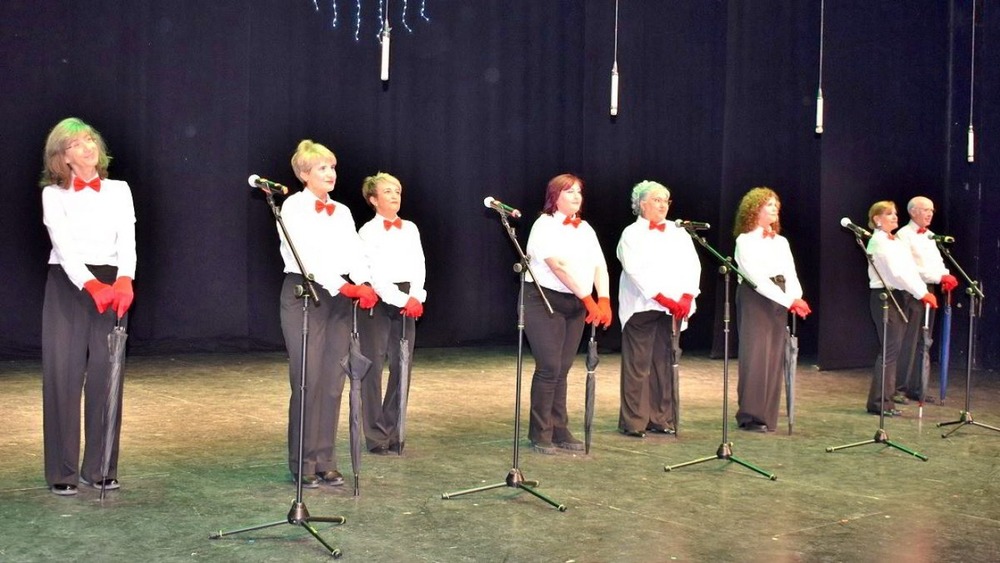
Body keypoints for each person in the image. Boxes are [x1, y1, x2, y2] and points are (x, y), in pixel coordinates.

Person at [40, 117, 136, 495]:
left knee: (106, 375)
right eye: (77, 144)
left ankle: (100, 467)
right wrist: (90, 283)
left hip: (113, 282)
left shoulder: (119, 189)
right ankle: (62, 471)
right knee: (64, 375)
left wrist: (125, 278)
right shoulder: (54, 194)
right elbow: (62, 245)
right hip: (69, 283)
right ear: (63, 157)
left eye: (90, 141)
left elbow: (127, 236)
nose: (88, 148)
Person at [278, 140, 377, 488]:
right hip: (306, 293)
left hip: (337, 298)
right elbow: (307, 256)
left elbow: (355, 250)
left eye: (332, 167)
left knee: (334, 382)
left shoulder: (344, 211)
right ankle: (302, 463)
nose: (330, 173)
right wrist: (345, 286)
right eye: (322, 168)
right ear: (305, 174)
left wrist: (364, 281)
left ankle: (325, 459)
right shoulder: (293, 207)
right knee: (308, 379)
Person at [523, 173, 613, 454]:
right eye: (569, 191)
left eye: (579, 192)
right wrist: (589, 300)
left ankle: (559, 428)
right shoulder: (543, 226)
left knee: (562, 367)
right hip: (543, 299)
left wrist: (605, 299)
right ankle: (540, 432)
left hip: (576, 302)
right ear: (554, 197)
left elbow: (600, 266)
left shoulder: (585, 228)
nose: (576, 196)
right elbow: (557, 267)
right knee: (549, 366)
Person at [616, 181, 701, 437]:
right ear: (642, 204)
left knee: (664, 363)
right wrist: (663, 299)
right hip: (642, 306)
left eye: (666, 200)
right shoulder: (631, 234)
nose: (663, 205)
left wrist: (686, 296)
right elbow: (635, 271)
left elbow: (693, 265)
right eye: (656, 200)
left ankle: (660, 417)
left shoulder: (679, 232)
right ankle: (634, 421)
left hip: (674, 309)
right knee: (638, 365)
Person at [357, 172, 426, 455]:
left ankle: (393, 429)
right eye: (387, 191)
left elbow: (420, 263)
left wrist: (417, 296)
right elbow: (376, 273)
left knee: (402, 366)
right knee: (372, 367)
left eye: (397, 190)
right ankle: (375, 435)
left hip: (407, 296)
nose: (395, 195)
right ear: (373, 199)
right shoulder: (367, 232)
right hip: (380, 298)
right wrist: (400, 298)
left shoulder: (410, 228)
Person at [732, 187, 811, 433]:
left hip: (780, 296)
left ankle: (767, 414)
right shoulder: (744, 241)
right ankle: (750, 415)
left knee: (774, 356)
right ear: (754, 209)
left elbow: (790, 272)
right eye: (769, 204)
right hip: (756, 297)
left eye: (776, 204)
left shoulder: (781, 241)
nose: (775, 208)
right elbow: (755, 278)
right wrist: (789, 301)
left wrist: (796, 297)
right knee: (756, 355)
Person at [864, 201, 938, 416]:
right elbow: (897, 274)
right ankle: (880, 402)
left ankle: (884, 401)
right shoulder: (878, 242)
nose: (895, 217)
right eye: (889, 214)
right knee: (889, 351)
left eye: (895, 213)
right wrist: (922, 293)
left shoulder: (894, 242)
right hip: (885, 297)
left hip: (900, 296)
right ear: (877, 219)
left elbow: (909, 270)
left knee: (893, 351)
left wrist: (921, 290)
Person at [893, 196, 958, 404]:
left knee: (924, 341)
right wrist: (939, 277)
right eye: (925, 210)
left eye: (931, 210)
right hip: (912, 291)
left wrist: (945, 276)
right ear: (913, 212)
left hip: (929, 289)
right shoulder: (903, 235)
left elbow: (937, 263)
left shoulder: (930, 236)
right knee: (909, 341)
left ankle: (918, 387)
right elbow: (909, 268)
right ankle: (899, 388)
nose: (930, 213)